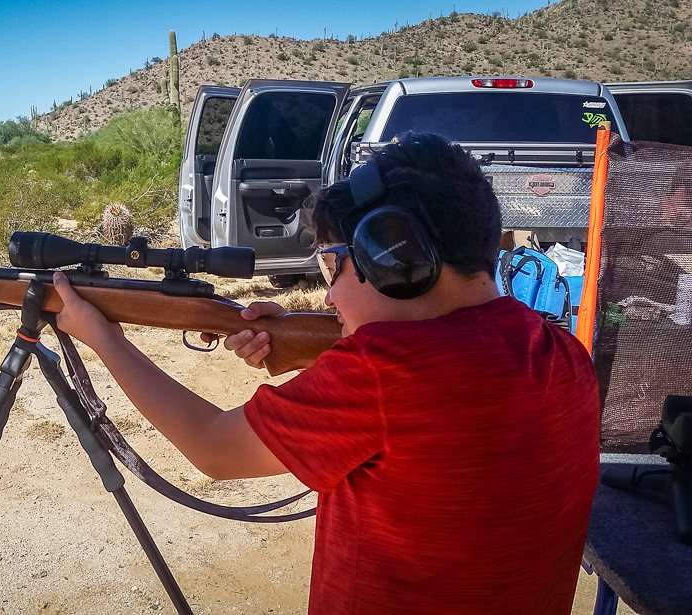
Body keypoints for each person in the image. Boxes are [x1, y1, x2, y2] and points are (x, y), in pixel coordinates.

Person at [51, 132, 601, 615]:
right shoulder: (558, 351)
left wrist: (104, 337)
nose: (331, 294)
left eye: (332, 266)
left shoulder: (380, 375)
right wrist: (302, 337)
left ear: (391, 258)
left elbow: (214, 449)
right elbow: (454, 371)